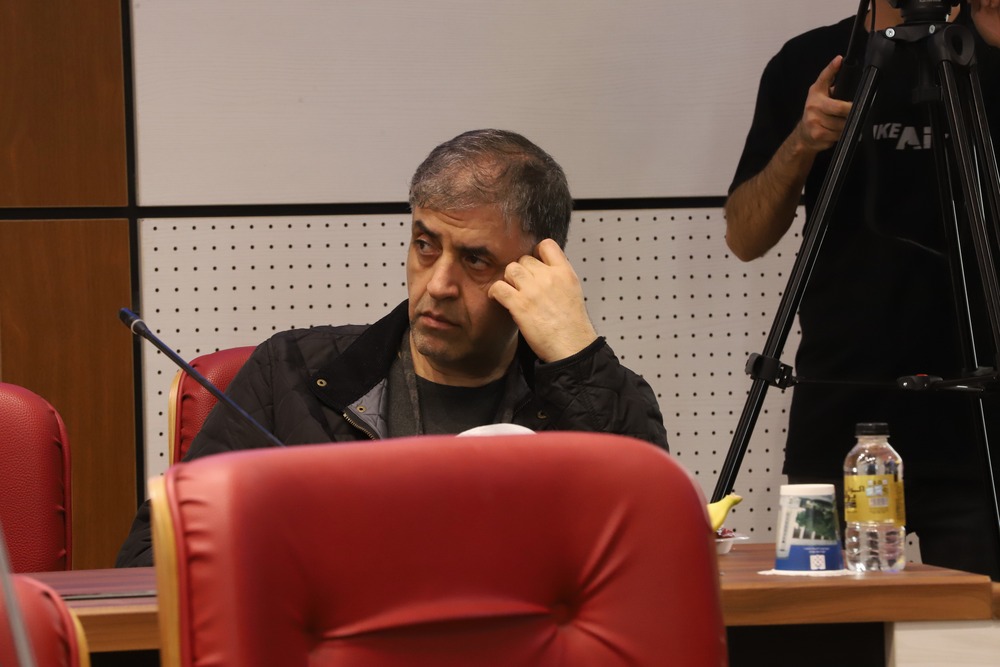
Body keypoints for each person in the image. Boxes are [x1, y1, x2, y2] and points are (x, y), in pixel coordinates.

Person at [116, 128, 668, 567]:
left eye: (475, 259)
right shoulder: (291, 374)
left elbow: (652, 554)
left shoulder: (589, 393)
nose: (438, 284)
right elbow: (150, 560)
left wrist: (575, 356)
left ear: (538, 270)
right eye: (425, 245)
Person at [726, 0, 1000, 578]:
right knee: (827, 615)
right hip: (841, 407)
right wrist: (803, 142)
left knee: (981, 624)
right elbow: (745, 236)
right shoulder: (811, 61)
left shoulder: (984, 47)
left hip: (980, 416)